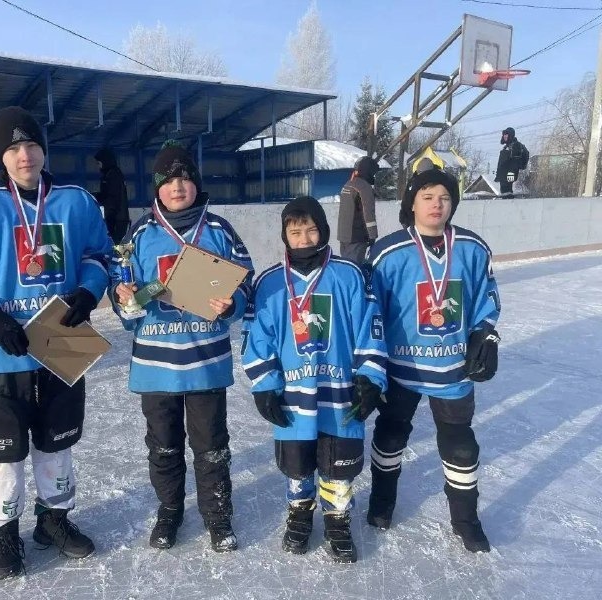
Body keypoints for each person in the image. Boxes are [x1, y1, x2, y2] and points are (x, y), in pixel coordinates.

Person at [0, 106, 112, 579]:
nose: (24, 155)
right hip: (2, 352)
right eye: (13, 148)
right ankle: (2, 532)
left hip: (62, 345)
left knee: (58, 444)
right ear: (1, 154)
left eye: (31, 144)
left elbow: (99, 255)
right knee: (2, 454)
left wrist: (88, 291)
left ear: (43, 148)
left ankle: (54, 520)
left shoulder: (76, 201)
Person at [109, 141, 253, 553]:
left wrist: (232, 303)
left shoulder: (220, 230)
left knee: (211, 447)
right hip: (156, 366)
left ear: (197, 184)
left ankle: (217, 515)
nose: (178, 186)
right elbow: (120, 289)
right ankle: (170, 510)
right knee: (164, 446)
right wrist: (124, 299)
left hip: (205, 362)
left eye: (186, 178)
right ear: (157, 187)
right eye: (169, 180)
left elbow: (246, 282)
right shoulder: (139, 234)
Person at [241, 196, 387, 563]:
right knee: (298, 463)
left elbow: (370, 328)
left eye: (311, 230)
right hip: (294, 396)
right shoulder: (270, 282)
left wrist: (370, 378)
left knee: (338, 463)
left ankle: (337, 519)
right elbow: (256, 337)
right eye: (295, 232)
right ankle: (300, 512)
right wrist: (265, 386)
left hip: (340, 393)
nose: (304, 238)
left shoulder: (349, 275)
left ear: (323, 230)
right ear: (285, 236)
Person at [365, 163, 501, 553]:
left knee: (461, 447)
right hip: (401, 368)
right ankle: (381, 502)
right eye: (427, 197)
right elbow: (370, 311)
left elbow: (487, 297)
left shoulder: (473, 248)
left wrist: (485, 334)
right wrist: (370, 364)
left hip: (453, 368)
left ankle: (466, 521)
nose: (437, 204)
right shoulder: (388, 252)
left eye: (444, 198)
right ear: (412, 203)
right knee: (390, 436)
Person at [337, 155, 380, 264]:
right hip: (357, 236)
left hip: (344, 235)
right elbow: (368, 213)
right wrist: (372, 235)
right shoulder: (364, 187)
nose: (375, 176)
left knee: (346, 264)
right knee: (354, 267)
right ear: (369, 171)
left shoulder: (349, 184)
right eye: (374, 173)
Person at [93, 147, 130, 244]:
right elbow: (107, 195)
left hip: (117, 218)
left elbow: (113, 198)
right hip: (117, 217)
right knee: (114, 242)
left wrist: (109, 216)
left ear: (105, 161)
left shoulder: (113, 175)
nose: (98, 166)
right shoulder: (110, 174)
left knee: (115, 243)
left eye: (99, 163)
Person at [495, 127, 529, 198]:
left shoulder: (516, 145)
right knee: (504, 191)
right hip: (503, 174)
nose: (505, 136)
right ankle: (507, 202)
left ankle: (509, 202)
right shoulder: (506, 147)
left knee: (507, 191)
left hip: (510, 173)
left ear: (511, 135)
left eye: (506, 134)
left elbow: (517, 160)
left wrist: (519, 166)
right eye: (504, 134)